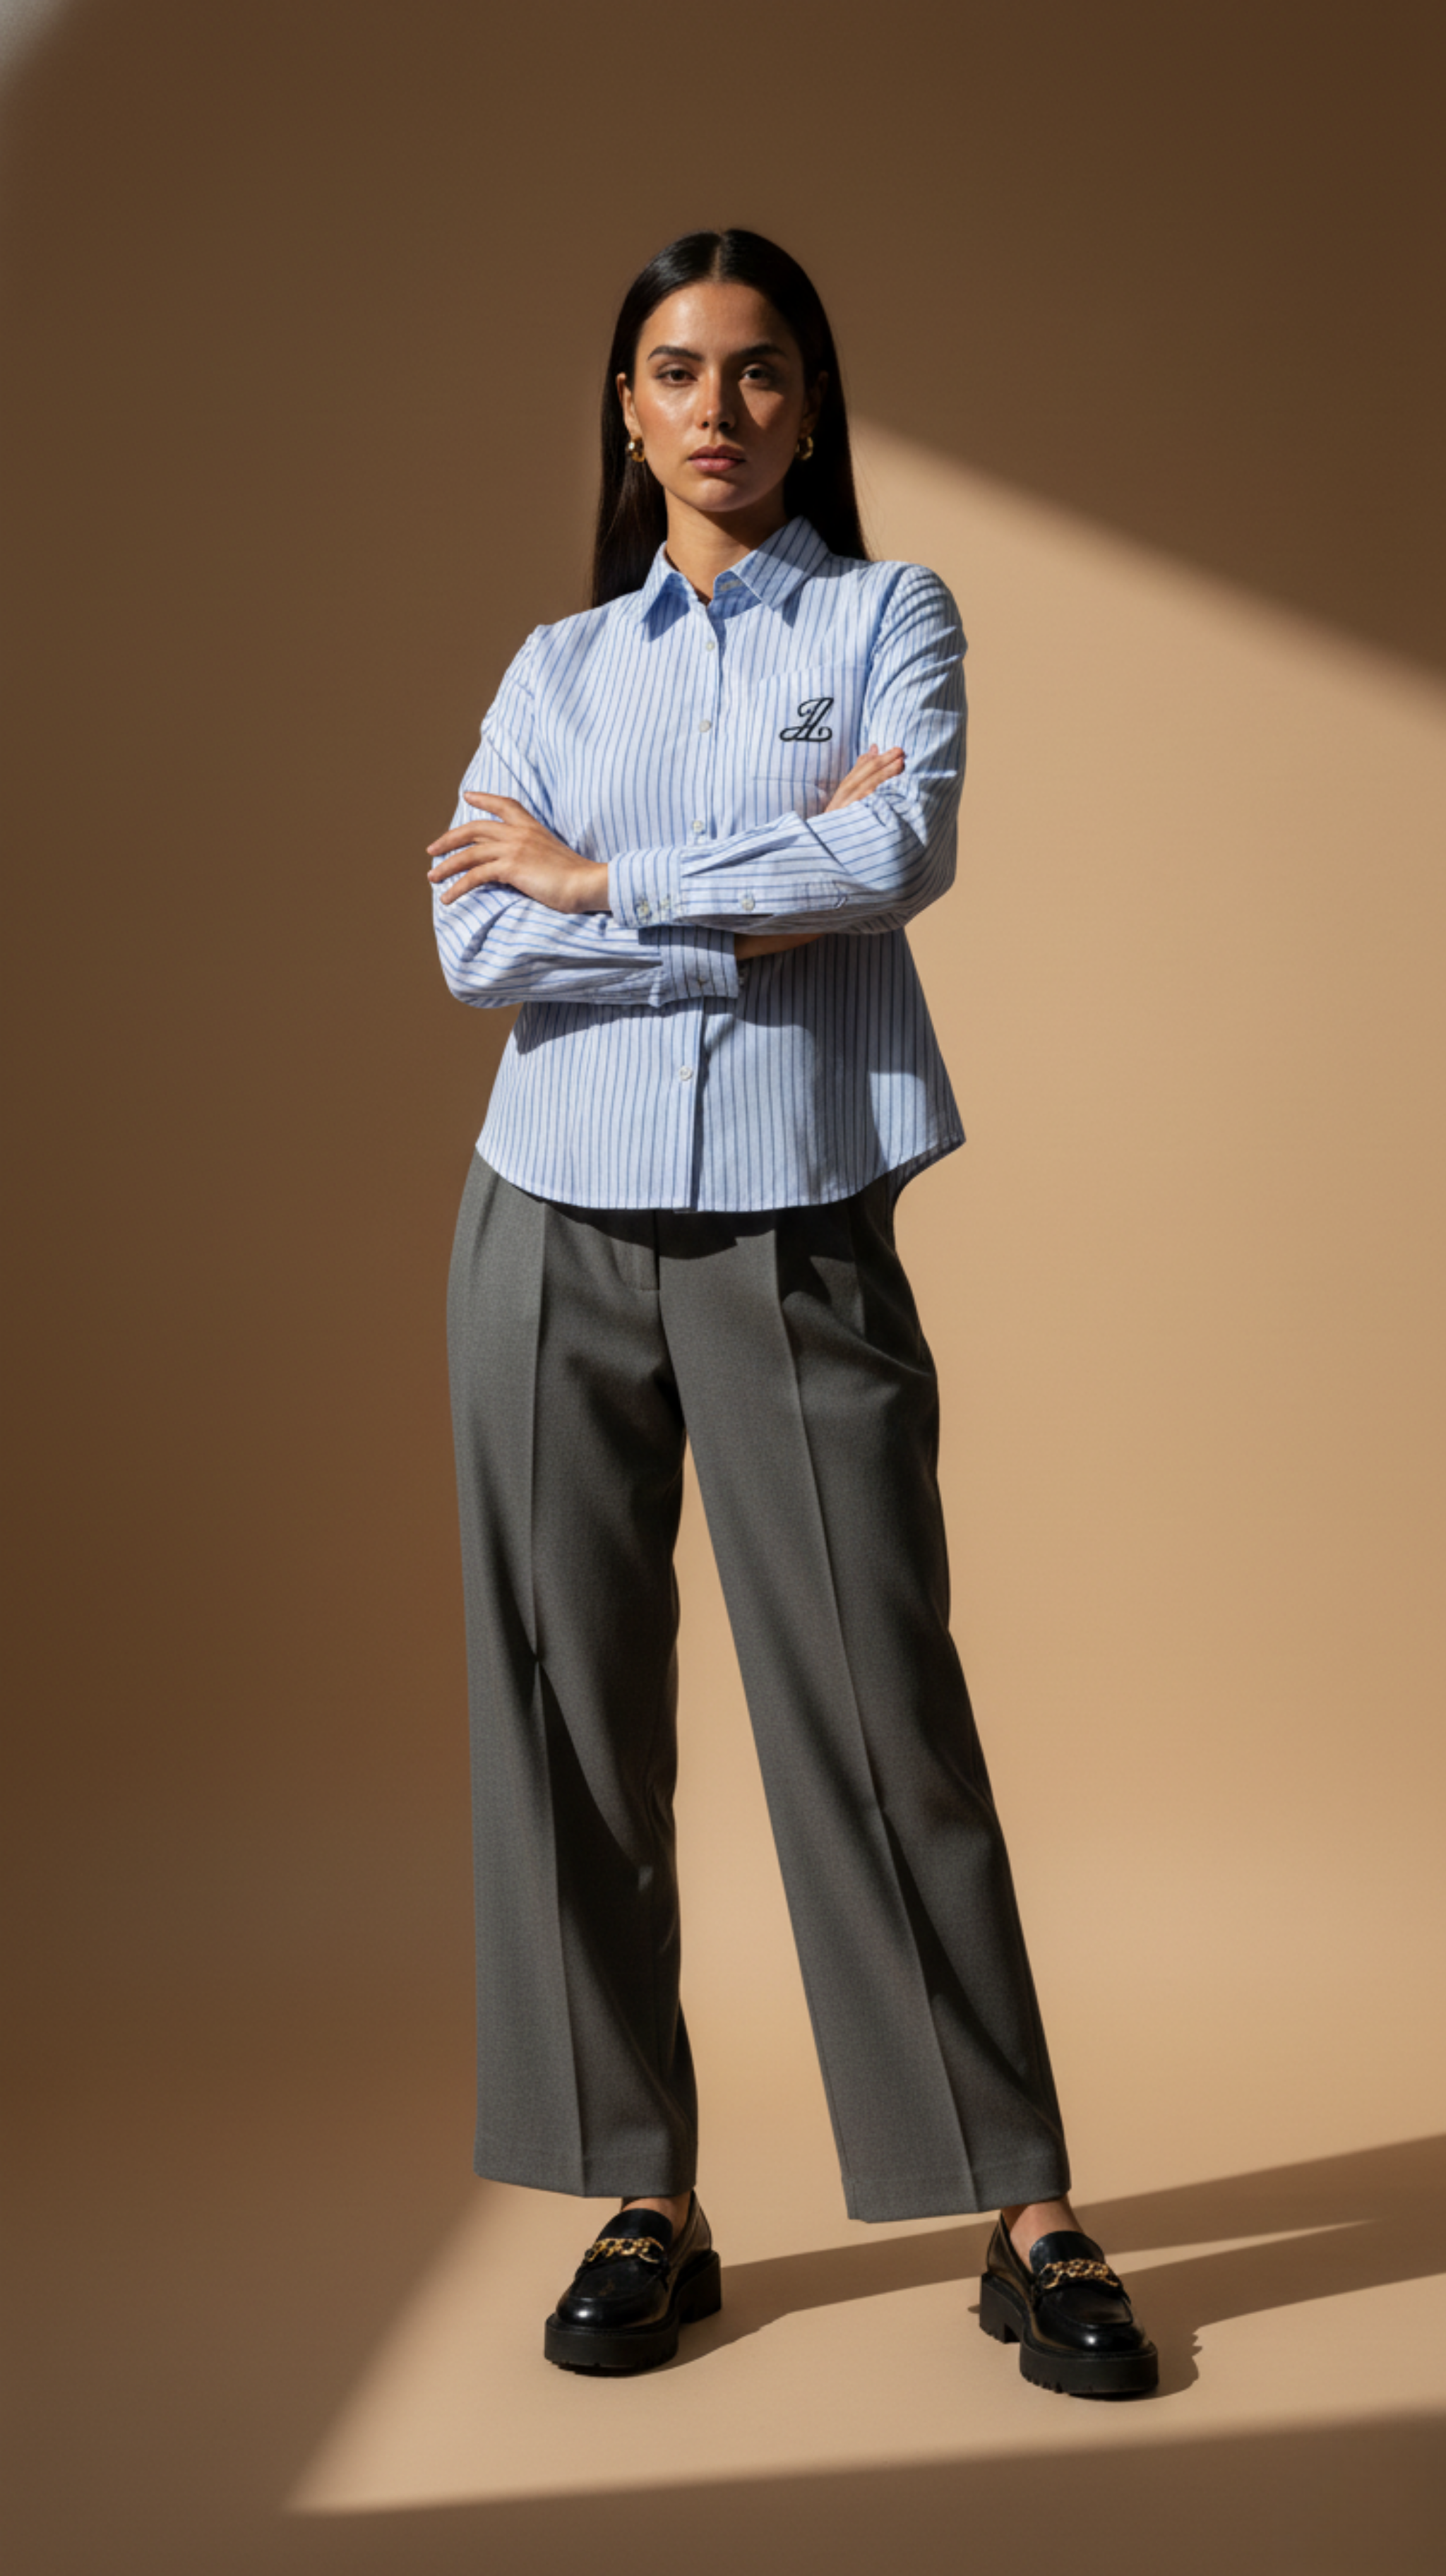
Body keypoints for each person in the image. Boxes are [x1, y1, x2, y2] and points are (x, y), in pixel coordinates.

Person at [426, 228, 1157, 2400]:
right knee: (563, 1719)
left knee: (876, 1709)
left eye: (760, 372)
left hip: (794, 1224)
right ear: (627, 411)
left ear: (811, 404)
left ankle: (1019, 2204)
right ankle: (645, 2189)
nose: (720, 409)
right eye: (677, 371)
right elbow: (475, 948)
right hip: (542, 1220)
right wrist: (728, 902)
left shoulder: (889, 619)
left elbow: (895, 853)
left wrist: (606, 889)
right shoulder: (558, 666)